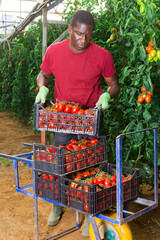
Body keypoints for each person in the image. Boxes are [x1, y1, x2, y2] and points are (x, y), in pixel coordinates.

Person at [35, 10, 120, 237]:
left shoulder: (102, 56)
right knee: (62, 162)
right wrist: (42, 86)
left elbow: (113, 84)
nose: (84, 40)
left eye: (89, 35)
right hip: (64, 119)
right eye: (79, 34)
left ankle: (89, 212)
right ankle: (58, 204)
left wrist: (107, 96)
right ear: (70, 30)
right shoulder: (55, 51)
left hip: (90, 117)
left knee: (90, 165)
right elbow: (43, 74)